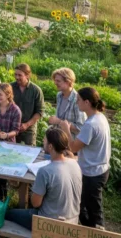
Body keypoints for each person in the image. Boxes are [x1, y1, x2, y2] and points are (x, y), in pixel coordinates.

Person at [5, 127, 82, 230]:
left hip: (49, 224)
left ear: (50, 146)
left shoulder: (45, 171)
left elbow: (35, 203)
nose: (43, 141)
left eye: (45, 140)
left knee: (10, 213)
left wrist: (35, 189)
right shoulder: (75, 164)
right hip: (73, 221)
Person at [60, 87, 111, 229]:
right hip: (99, 168)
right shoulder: (100, 117)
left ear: (87, 102)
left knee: (93, 209)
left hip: (92, 173)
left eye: (78, 100)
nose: (77, 103)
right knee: (83, 205)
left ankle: (98, 231)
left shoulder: (90, 124)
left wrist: (66, 128)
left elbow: (73, 147)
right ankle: (89, 229)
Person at [11, 63, 44, 146]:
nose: (17, 77)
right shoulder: (10, 88)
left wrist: (27, 124)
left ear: (28, 75)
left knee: (30, 150)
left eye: (20, 75)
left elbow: (39, 112)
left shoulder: (36, 90)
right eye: (15, 74)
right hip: (13, 126)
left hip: (29, 128)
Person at [49, 68, 86, 139]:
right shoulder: (59, 95)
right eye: (55, 80)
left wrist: (59, 122)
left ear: (68, 82)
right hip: (59, 140)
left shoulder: (77, 99)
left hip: (72, 142)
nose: (55, 83)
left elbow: (81, 128)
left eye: (58, 81)